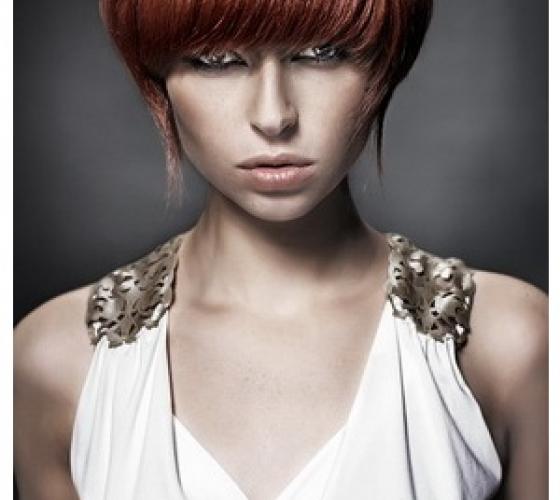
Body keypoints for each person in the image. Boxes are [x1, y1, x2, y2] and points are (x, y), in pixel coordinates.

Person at [14, 0, 548, 499]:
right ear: (159, 75)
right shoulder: (54, 362)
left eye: (321, 53)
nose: (273, 117)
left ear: (385, 62)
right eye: (217, 59)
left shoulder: (510, 344)